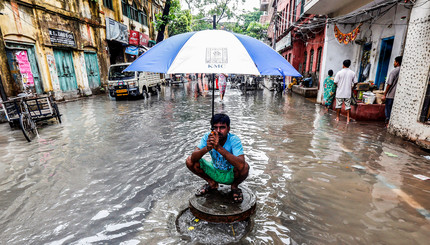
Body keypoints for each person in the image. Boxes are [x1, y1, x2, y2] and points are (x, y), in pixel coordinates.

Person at [186, 114, 249, 203]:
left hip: (230, 173)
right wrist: (207, 148)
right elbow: (193, 157)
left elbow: (241, 165)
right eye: (215, 128)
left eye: (222, 127)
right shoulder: (207, 137)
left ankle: (234, 186)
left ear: (228, 129)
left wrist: (218, 147)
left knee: (245, 167)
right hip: (214, 170)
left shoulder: (234, 140)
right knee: (189, 161)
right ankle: (212, 183)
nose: (218, 131)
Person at [383, 56, 402, 126]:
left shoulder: (394, 71)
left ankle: (388, 125)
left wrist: (384, 94)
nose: (394, 63)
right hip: (397, 95)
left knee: (388, 111)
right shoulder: (403, 70)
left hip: (391, 95)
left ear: (397, 63)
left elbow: (389, 84)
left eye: (394, 61)